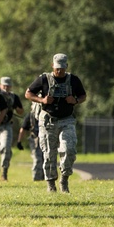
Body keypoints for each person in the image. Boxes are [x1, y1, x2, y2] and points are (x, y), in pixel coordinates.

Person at [25, 53, 87, 193]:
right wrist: (42, 100)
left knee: (69, 149)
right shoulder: (44, 79)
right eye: (57, 68)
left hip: (67, 120)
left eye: (62, 68)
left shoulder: (73, 80)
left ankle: (64, 179)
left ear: (66, 67)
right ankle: (51, 184)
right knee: (48, 153)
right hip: (48, 120)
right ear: (52, 66)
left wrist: (75, 101)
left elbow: (83, 95)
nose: (59, 71)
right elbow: (28, 93)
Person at [0, 76, 23, 181]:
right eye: (4, 85)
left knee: (6, 147)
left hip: (6, 125)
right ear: (0, 85)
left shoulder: (14, 97)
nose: (6, 87)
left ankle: (4, 172)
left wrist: (15, 107)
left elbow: (21, 111)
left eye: (8, 86)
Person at [17, 111, 44, 181]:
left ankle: (45, 178)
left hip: (45, 139)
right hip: (35, 139)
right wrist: (19, 141)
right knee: (37, 159)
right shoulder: (31, 116)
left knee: (46, 159)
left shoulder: (48, 114)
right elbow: (23, 128)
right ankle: (36, 178)